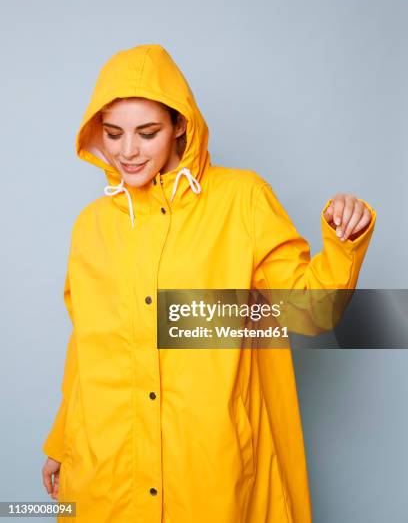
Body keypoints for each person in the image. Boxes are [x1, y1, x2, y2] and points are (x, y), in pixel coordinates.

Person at [41, 44, 376, 522]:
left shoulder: (241, 200)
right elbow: (87, 345)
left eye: (147, 132)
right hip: (108, 463)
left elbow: (311, 312)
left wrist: (344, 243)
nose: (127, 151)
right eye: (113, 134)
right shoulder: (91, 225)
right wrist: (62, 441)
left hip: (208, 466)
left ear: (181, 124)